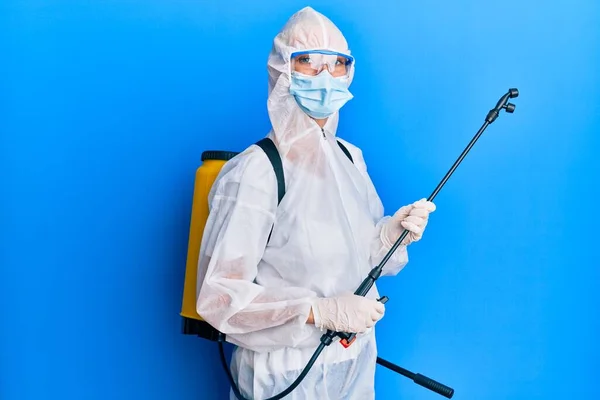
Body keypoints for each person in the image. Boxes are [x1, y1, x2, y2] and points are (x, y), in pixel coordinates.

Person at [196, 6, 436, 400]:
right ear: (282, 71)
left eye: (337, 64)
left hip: (351, 363)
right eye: (308, 62)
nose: (326, 77)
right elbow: (221, 299)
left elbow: (358, 261)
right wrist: (317, 312)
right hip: (283, 375)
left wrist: (391, 236)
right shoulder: (256, 171)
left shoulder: (349, 158)